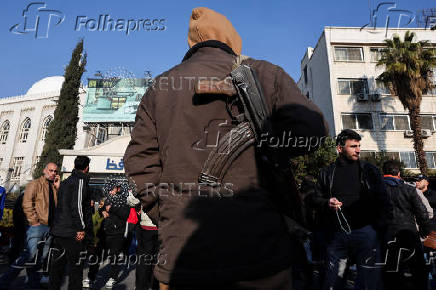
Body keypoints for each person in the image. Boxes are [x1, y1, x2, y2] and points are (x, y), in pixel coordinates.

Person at [124, 6, 327, 289]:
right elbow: (314, 130)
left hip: (183, 256)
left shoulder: (160, 86)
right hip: (259, 251)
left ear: (192, 43)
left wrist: (170, 212)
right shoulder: (267, 73)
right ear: (233, 39)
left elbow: (139, 164)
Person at [309, 129, 386, 290]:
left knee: (368, 282)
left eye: (359, 146)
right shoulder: (326, 173)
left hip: (365, 232)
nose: (358, 150)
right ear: (339, 148)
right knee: (332, 282)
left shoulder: (369, 170)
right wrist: (326, 202)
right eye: (353, 146)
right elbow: (315, 199)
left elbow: (383, 199)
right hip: (336, 235)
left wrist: (381, 228)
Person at [0, 162, 59, 289]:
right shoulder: (35, 184)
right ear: (44, 170)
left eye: (55, 171)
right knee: (28, 255)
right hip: (37, 227)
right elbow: (26, 203)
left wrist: (57, 188)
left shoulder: (53, 187)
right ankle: (4, 281)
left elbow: (56, 207)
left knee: (40, 258)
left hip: (49, 227)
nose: (53, 173)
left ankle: (33, 282)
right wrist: (34, 222)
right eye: (51, 170)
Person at [382, 160, 430, 290]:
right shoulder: (408, 189)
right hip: (409, 235)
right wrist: (424, 232)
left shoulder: (376, 190)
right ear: (398, 173)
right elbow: (423, 214)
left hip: (387, 237)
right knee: (418, 273)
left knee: (391, 274)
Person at [49, 156, 93, 290]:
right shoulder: (80, 181)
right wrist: (80, 228)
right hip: (71, 232)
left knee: (57, 267)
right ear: (86, 168)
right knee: (76, 268)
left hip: (59, 230)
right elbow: (77, 206)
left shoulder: (67, 181)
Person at [100, 180, 130, 289]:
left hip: (118, 232)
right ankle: (92, 276)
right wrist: (102, 211)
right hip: (106, 231)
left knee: (114, 255)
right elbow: (102, 208)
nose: (110, 191)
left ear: (118, 189)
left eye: (112, 189)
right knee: (99, 253)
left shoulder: (124, 200)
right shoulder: (107, 198)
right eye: (109, 189)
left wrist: (112, 208)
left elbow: (125, 214)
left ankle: (113, 277)